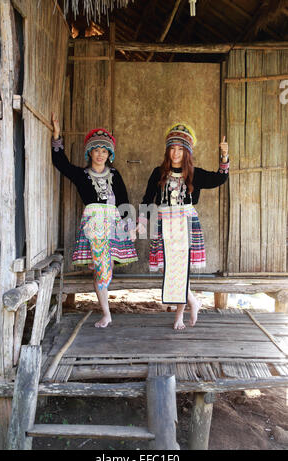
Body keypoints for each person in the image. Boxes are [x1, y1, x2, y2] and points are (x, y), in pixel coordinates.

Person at [137, 123, 229, 330]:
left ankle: (179, 315)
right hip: (163, 223)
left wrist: (224, 157)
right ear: (167, 150)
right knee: (168, 269)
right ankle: (192, 301)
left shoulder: (194, 174)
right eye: (172, 148)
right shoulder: (158, 172)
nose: (176, 153)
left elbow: (220, 177)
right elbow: (146, 199)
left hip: (185, 224)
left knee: (181, 269)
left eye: (180, 149)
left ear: (186, 152)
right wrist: (141, 222)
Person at [51, 113, 138, 328]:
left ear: (110, 154)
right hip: (93, 225)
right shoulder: (81, 175)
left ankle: (105, 308)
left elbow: (123, 200)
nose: (100, 155)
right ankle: (106, 313)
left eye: (104, 151)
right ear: (90, 153)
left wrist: (130, 226)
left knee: (104, 267)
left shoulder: (115, 175)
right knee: (100, 267)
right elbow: (61, 164)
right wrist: (56, 136)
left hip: (113, 224)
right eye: (96, 151)